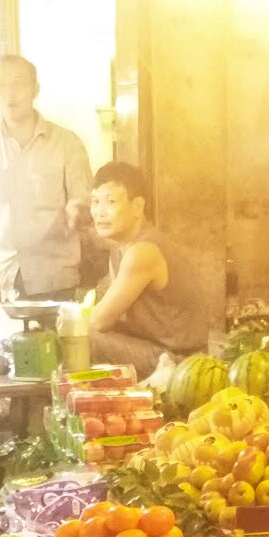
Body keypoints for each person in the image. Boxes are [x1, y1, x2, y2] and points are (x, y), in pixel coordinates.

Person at [0, 55, 92, 301]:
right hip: (1, 279)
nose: (10, 93)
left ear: (35, 89)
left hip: (55, 278)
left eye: (18, 83)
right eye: (1, 85)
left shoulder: (67, 143)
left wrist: (78, 209)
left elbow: (83, 199)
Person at [86, 161, 207, 377]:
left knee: (82, 335)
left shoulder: (143, 252)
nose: (99, 212)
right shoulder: (120, 248)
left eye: (110, 202)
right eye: (95, 202)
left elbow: (100, 321)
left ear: (137, 207)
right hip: (154, 349)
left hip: (180, 361)